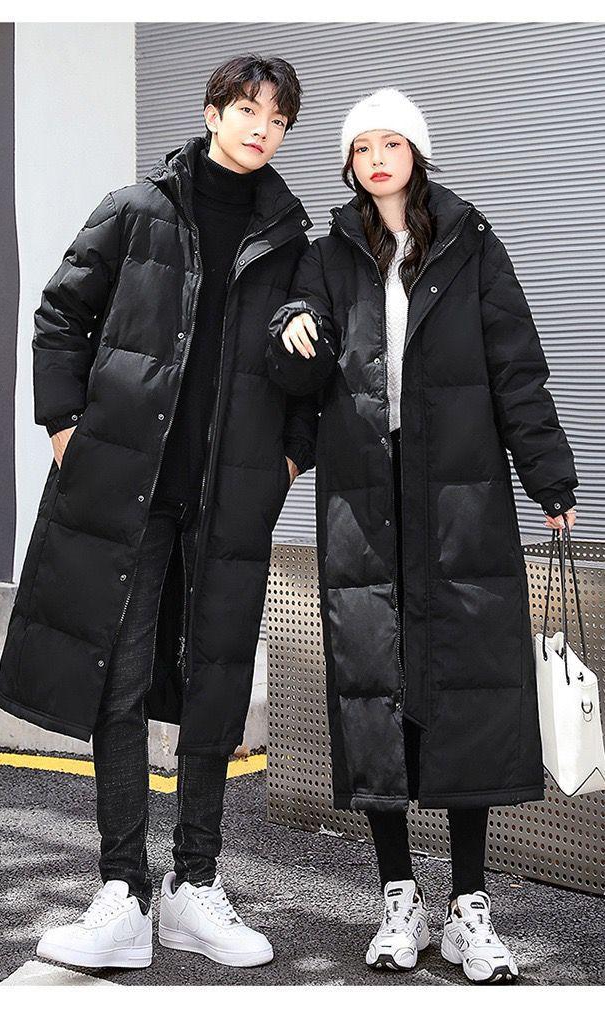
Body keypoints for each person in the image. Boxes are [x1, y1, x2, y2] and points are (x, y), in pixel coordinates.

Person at [0, 54, 317, 970]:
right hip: (126, 498)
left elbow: (316, 367)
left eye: (278, 119)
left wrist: (290, 458)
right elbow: (60, 315)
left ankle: (194, 884)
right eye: (247, 109)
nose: (261, 129)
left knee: (216, 684)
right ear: (213, 112)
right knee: (120, 682)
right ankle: (123, 890)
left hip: (228, 502)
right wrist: (65, 426)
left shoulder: (293, 240)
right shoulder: (136, 210)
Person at [267, 88, 578, 985]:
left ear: (417, 153)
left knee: (468, 687)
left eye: (391, 142)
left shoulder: (472, 243)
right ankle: (399, 894)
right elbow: (297, 359)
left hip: (459, 493)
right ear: (348, 163)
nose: (376, 157)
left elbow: (516, 365)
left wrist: (550, 476)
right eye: (361, 146)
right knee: (376, 687)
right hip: (365, 495)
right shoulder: (328, 253)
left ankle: (470, 905)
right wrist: (293, 326)